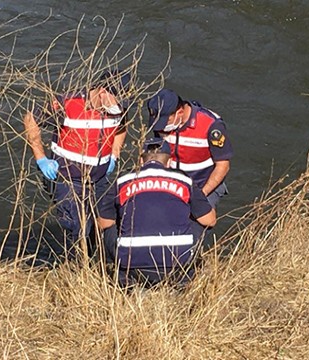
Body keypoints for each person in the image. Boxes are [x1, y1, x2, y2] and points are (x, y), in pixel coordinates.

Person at [23, 70, 131, 260]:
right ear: (103, 91)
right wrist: (41, 158)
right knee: (77, 227)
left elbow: (122, 127)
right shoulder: (69, 103)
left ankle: (95, 262)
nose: (117, 107)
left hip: (99, 179)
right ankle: (76, 268)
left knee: (102, 223)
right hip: (66, 177)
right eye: (115, 101)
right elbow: (31, 119)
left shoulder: (118, 107)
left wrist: (115, 153)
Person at [97, 138, 216, 288]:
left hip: (133, 265)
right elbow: (210, 220)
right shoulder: (185, 180)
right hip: (177, 264)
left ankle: (122, 279)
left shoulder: (122, 181)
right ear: (169, 162)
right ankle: (186, 277)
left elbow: (104, 223)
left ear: (141, 161)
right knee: (199, 220)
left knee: (109, 225)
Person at [146, 88, 233, 209]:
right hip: (171, 185)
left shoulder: (211, 125)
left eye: (166, 121)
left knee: (197, 223)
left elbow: (223, 166)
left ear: (180, 112)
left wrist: (201, 196)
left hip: (203, 185)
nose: (162, 126)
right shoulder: (161, 124)